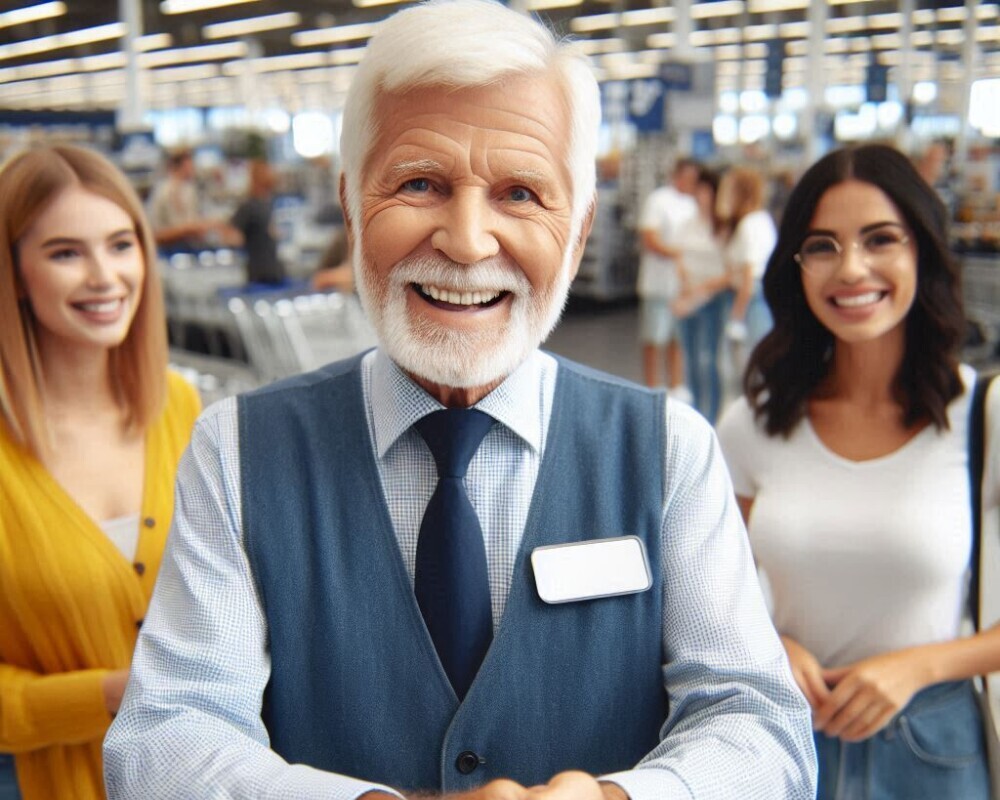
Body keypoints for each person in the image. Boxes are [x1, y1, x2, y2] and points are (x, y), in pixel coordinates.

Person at [103, 2, 816, 798]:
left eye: (519, 194)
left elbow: (761, 723)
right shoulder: (237, 450)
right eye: (419, 183)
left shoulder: (669, 452)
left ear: (577, 233)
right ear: (348, 205)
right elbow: (167, 733)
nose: (468, 241)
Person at [716, 143, 1000, 799]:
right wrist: (771, 646)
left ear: (921, 252)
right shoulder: (754, 423)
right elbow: (706, 593)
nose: (851, 269)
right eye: (822, 246)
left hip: (931, 752)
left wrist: (919, 667)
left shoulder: (980, 417)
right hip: (783, 735)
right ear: (797, 266)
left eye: (880, 240)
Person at [0, 145, 201, 799]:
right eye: (65, 253)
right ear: (16, 275)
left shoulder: (178, 405)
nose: (104, 276)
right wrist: (108, 693)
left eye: (120, 245)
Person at [636, 157, 699, 395]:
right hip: (658, 284)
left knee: (679, 337)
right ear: (677, 175)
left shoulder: (693, 203)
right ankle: (652, 386)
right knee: (654, 337)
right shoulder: (658, 200)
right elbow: (650, 238)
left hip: (683, 285)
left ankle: (676, 386)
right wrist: (680, 252)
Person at [673, 167, 728, 423]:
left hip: (712, 300)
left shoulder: (724, 227)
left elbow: (730, 270)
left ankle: (713, 415)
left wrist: (700, 291)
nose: (702, 196)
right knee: (692, 361)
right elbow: (680, 258)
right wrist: (686, 289)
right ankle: (697, 413)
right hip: (688, 300)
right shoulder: (688, 223)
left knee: (709, 360)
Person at [716, 166, 777, 358]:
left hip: (749, 300)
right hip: (751, 297)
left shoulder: (751, 224)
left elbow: (748, 277)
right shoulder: (756, 220)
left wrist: (736, 317)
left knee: (753, 360)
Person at [146, 148, 238, 253]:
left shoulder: (189, 190)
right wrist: (188, 229)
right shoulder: (162, 192)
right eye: (189, 164)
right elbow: (154, 233)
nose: (193, 168)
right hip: (168, 252)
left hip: (192, 249)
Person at [231, 159, 286, 286]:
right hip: (259, 273)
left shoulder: (268, 204)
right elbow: (233, 235)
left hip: (274, 270)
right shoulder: (248, 206)